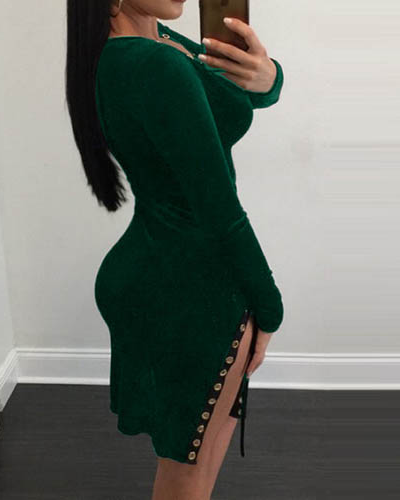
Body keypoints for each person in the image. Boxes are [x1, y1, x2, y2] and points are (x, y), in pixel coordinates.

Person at [66, 1, 285, 498]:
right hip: (189, 286)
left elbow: (234, 98)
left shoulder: (155, 44)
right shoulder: (153, 63)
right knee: (187, 475)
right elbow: (219, 210)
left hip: (168, 267)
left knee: (194, 465)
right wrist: (270, 305)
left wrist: (268, 78)